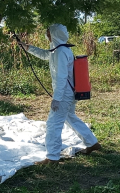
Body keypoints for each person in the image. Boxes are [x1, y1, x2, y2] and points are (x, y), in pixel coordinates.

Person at [18, 23, 101, 165]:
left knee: (53, 124)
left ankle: (52, 157)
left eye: (48, 32)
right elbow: (45, 55)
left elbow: (62, 76)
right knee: (70, 118)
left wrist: (57, 98)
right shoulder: (58, 50)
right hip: (68, 92)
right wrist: (27, 47)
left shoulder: (61, 52)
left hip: (64, 94)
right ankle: (92, 143)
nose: (47, 34)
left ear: (54, 34)